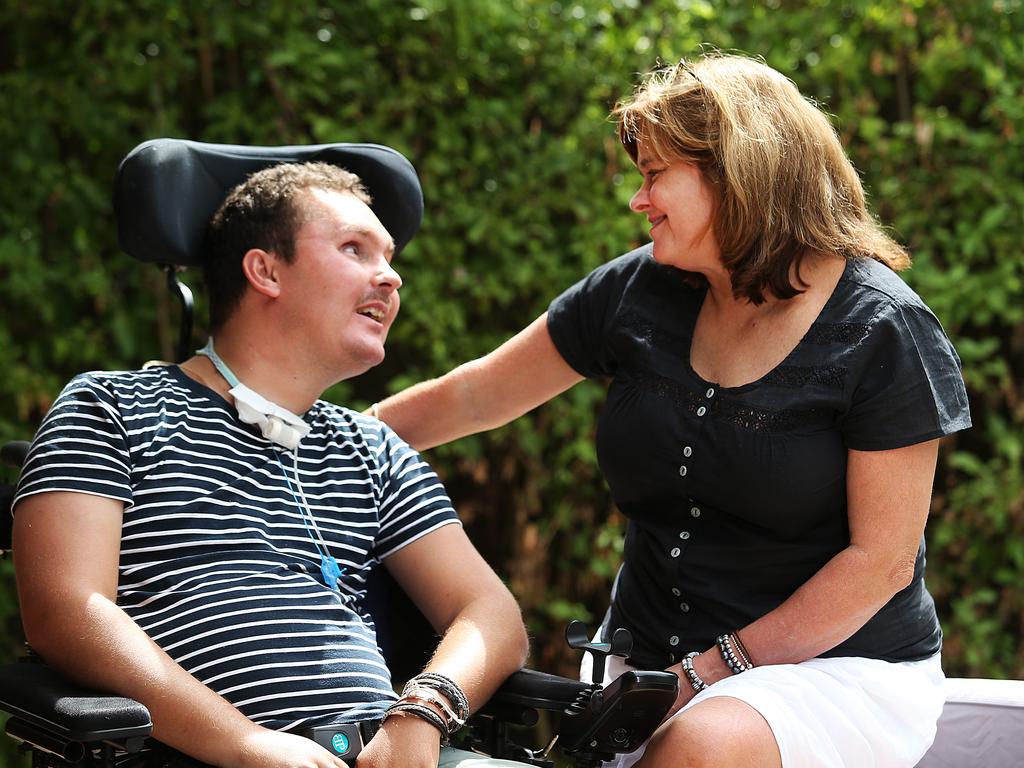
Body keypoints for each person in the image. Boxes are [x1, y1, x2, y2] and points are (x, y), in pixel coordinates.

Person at [370, 53, 971, 768]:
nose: (639, 199)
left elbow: (881, 565)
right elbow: (474, 395)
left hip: (836, 669)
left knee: (702, 747)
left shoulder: (884, 330)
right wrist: (316, 440)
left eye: (655, 174)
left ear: (737, 175)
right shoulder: (640, 289)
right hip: (652, 670)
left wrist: (707, 673)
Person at [13, 160, 532, 768]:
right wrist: (244, 743)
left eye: (389, 257)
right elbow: (65, 609)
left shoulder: (372, 446)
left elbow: (492, 614)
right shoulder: (112, 407)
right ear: (264, 270)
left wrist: (422, 712)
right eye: (354, 249)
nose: (390, 277)